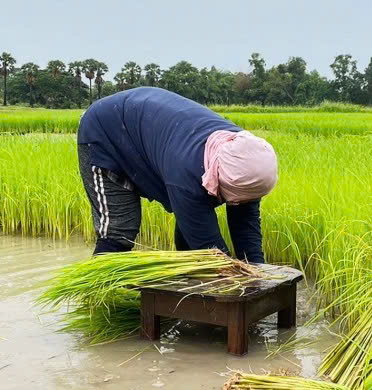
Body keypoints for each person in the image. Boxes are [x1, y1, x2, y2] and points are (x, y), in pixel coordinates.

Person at [77, 87, 278, 264]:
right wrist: (235, 280)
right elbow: (210, 252)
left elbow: (246, 228)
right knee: (119, 231)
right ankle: (101, 298)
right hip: (106, 133)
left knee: (193, 223)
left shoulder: (247, 160)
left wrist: (259, 272)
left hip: (153, 127)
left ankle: (187, 294)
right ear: (215, 178)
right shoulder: (188, 176)